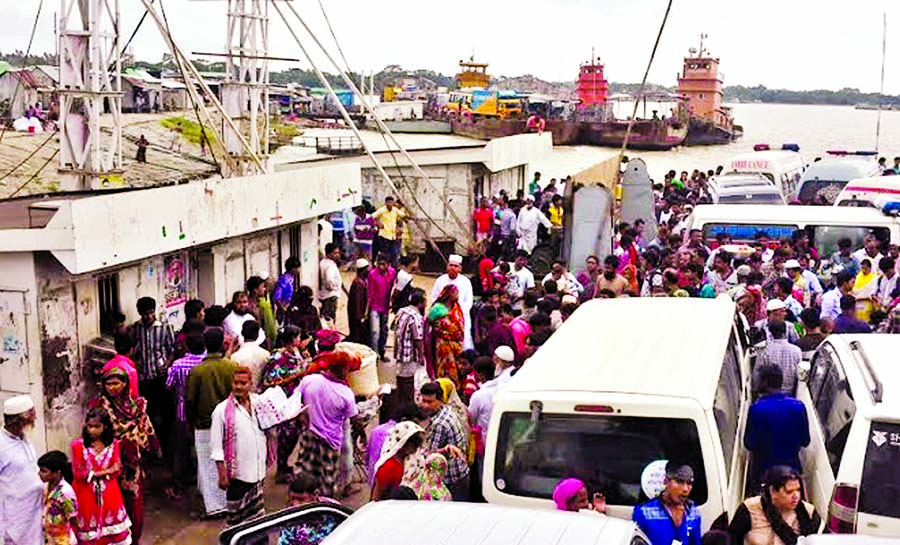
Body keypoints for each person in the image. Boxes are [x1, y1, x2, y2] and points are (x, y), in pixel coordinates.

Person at [89, 363, 159, 545]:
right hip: (107, 464)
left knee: (134, 504)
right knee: (110, 505)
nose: (112, 388)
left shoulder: (137, 406)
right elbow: (93, 432)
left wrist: (144, 445)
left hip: (132, 466)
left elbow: (147, 430)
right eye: (108, 384)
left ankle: (134, 540)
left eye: (116, 383)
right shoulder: (100, 407)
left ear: (125, 384)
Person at [185, 327, 237, 518]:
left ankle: (214, 507)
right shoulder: (232, 366)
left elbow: (190, 400)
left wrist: (189, 424)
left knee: (208, 464)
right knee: (228, 463)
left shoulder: (197, 371)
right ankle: (229, 502)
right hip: (229, 423)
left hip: (204, 424)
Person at [297, 352, 361, 498]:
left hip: (309, 434)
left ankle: (301, 503)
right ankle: (323, 507)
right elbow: (355, 419)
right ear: (344, 370)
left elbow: (296, 402)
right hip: (330, 441)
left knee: (305, 470)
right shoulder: (345, 393)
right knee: (326, 479)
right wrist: (362, 435)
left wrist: (304, 418)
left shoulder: (310, 380)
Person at [211, 367, 267, 526]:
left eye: (243, 383)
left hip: (258, 472)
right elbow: (216, 447)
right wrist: (222, 473)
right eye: (236, 383)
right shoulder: (221, 411)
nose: (239, 387)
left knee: (257, 522)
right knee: (236, 523)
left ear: (251, 384)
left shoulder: (259, 403)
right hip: (237, 476)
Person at [71, 407, 132, 545]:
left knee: (113, 536)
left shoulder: (114, 444)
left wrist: (95, 473)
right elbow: (78, 473)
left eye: (97, 426)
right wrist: (106, 472)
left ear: (105, 427)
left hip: (110, 494)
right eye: (90, 426)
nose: (92, 430)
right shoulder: (78, 446)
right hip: (86, 495)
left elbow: (117, 469)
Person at [744, 365, 810, 492]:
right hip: (792, 471)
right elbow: (805, 441)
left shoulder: (757, 409)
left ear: (765, 382)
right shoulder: (798, 406)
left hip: (764, 474)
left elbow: (749, 444)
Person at [261, 326, 312, 483]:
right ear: (292, 338)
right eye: (297, 337)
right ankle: (281, 468)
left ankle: (284, 465)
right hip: (283, 400)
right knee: (287, 435)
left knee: (295, 433)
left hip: (296, 399)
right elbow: (270, 380)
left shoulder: (297, 353)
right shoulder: (277, 356)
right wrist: (297, 374)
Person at [728, 466, 820, 545]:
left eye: (798, 490)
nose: (796, 496)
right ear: (773, 491)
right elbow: (731, 539)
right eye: (789, 492)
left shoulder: (807, 512)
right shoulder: (750, 509)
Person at [165, 329, 206, 500]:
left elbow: (168, 385)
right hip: (202, 413)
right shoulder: (206, 363)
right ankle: (202, 485)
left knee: (180, 450)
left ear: (186, 345)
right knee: (202, 451)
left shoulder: (178, 365)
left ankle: (178, 485)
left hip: (181, 412)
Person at [131, 296, 174, 455]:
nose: (148, 316)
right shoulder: (136, 328)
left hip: (159, 376)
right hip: (144, 378)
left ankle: (166, 445)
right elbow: (135, 349)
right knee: (147, 413)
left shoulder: (164, 327)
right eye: (145, 314)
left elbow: (172, 350)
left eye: (150, 313)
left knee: (163, 412)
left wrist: (167, 365)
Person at [0, 395, 44, 545]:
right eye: (31, 416)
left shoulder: (24, 438)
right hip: (15, 515)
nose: (34, 419)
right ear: (19, 420)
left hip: (34, 511)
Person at [418, 382, 469, 501]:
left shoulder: (438, 424)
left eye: (430, 402)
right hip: (462, 473)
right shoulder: (448, 410)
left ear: (440, 400)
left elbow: (430, 455)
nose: (425, 405)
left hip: (451, 479)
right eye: (423, 401)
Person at [633, 461, 702, 545]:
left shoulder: (692, 512)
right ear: (666, 481)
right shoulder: (645, 511)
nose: (685, 489)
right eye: (679, 482)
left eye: (689, 483)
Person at [277, 474, 342, 545]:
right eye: (293, 499)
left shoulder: (332, 509)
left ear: (316, 494)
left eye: (301, 500)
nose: (296, 505)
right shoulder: (289, 516)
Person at [371, 422, 426, 501]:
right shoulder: (389, 467)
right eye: (414, 443)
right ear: (403, 442)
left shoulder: (409, 459)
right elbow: (378, 496)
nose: (417, 447)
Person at [431, 254, 475, 351]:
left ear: (460, 268)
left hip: (461, 318)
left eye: (456, 266)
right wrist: (446, 314)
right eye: (451, 265)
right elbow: (435, 299)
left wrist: (455, 314)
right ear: (447, 266)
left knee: (464, 345)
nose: (453, 268)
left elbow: (468, 302)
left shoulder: (465, 282)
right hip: (443, 319)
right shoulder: (440, 280)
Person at [427, 284, 466, 387]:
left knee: (457, 366)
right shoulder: (437, 308)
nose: (457, 295)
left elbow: (461, 324)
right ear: (448, 294)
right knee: (444, 366)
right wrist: (444, 328)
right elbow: (430, 323)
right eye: (455, 292)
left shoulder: (457, 308)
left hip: (456, 344)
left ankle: (456, 388)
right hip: (442, 343)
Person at [38, 450, 78, 545]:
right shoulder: (46, 487)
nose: (40, 474)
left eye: (44, 471)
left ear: (57, 472)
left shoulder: (66, 492)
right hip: (49, 538)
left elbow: (73, 517)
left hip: (63, 540)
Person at [394, 290, 426, 406]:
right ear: (420, 303)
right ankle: (408, 405)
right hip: (408, 353)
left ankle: (400, 403)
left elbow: (394, 330)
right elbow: (418, 338)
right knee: (408, 381)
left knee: (400, 379)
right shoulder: (415, 316)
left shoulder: (402, 311)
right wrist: (421, 355)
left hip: (400, 351)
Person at [753, 321, 801, 397]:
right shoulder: (796, 351)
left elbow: (757, 372)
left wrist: (755, 390)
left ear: (771, 333)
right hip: (790, 393)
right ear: (785, 331)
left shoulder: (765, 351)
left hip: (769, 394)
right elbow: (799, 374)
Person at [368, 253, 396, 360]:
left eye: (383, 264)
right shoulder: (372, 274)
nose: (381, 267)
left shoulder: (392, 273)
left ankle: (382, 352)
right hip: (374, 306)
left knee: (384, 330)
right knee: (375, 331)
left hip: (385, 307)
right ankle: (374, 355)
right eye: (379, 264)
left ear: (388, 264)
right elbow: (370, 293)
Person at [230, 321, 270, 387]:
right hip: (261, 394)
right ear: (257, 335)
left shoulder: (235, 357)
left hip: (241, 391)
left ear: (242, 333)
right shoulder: (266, 355)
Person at [371, 196, 407, 266]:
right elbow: (372, 217)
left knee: (394, 253)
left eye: (391, 202)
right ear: (385, 203)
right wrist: (378, 223)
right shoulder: (382, 210)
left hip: (393, 236)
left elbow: (403, 216)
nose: (390, 204)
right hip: (384, 236)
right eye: (388, 202)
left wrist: (412, 217)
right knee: (384, 253)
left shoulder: (395, 210)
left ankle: (392, 269)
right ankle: (382, 267)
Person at [319, 243, 343, 328]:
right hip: (330, 296)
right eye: (335, 253)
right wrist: (333, 288)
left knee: (325, 318)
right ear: (329, 254)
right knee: (330, 320)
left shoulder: (323, 262)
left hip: (325, 295)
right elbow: (329, 280)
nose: (338, 255)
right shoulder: (330, 266)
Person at [347, 259, 370, 344]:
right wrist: (360, 316)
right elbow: (358, 302)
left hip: (359, 314)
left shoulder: (363, 281)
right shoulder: (358, 284)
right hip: (357, 316)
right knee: (357, 335)